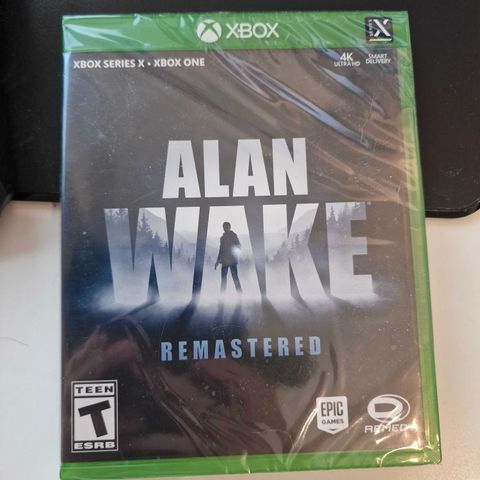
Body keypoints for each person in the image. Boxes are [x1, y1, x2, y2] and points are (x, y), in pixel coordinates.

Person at [215, 222, 242, 293]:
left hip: (232, 260)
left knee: (234, 277)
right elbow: (221, 250)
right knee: (224, 278)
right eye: (224, 227)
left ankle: (240, 293)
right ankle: (222, 294)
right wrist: (217, 261)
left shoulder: (233, 236)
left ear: (229, 227)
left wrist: (234, 252)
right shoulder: (222, 238)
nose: (225, 228)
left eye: (226, 227)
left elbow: (239, 245)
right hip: (225, 260)